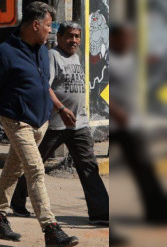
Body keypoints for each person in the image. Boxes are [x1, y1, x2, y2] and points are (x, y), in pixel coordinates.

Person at [0, 1, 79, 247]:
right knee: (35, 170)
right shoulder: (4, 54)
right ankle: (50, 228)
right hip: (16, 121)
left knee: (13, 169)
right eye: (48, 25)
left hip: (41, 122)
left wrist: (58, 108)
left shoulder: (43, 51)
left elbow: (43, 85)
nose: (50, 31)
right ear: (35, 25)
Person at [9, 22, 109, 224]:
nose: (74, 40)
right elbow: (44, 87)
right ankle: (18, 201)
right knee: (34, 164)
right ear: (60, 37)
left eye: (77, 36)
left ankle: (101, 212)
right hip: (53, 123)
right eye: (70, 36)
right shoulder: (51, 56)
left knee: (89, 165)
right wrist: (61, 109)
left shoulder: (76, 56)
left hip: (78, 124)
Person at [108, 23, 167, 222]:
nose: (129, 41)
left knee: (143, 168)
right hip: (117, 124)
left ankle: (155, 210)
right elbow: (104, 91)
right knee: (142, 168)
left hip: (131, 124)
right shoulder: (110, 61)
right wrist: (116, 112)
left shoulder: (131, 59)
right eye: (125, 37)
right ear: (115, 39)